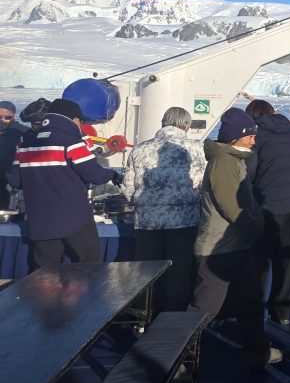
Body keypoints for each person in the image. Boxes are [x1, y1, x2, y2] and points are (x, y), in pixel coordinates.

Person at [190, 107, 282, 370]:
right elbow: (230, 205)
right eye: (250, 135)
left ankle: (259, 350)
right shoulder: (224, 163)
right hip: (219, 249)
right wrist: (254, 229)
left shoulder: (233, 160)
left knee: (251, 300)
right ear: (236, 137)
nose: (254, 140)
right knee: (204, 308)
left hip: (236, 246)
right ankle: (175, 357)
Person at [6, 98, 120, 270]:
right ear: (73, 119)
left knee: (45, 271)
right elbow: (94, 174)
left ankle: (44, 289)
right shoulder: (72, 142)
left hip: (40, 218)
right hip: (74, 216)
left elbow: (15, 180)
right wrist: (113, 174)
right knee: (89, 265)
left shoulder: (25, 143)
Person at [122, 106, 205, 313]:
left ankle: (144, 315)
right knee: (179, 272)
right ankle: (172, 317)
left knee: (146, 272)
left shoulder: (140, 149)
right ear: (186, 126)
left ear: (163, 123)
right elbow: (204, 184)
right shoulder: (196, 149)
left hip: (147, 222)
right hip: (184, 221)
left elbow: (128, 187)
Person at [245, 99, 290, 325]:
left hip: (269, 204)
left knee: (260, 260)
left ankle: (255, 313)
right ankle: (284, 313)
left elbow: (250, 171)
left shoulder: (257, 135)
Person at [0, 100, 28, 209]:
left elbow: (35, 137)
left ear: (14, 117)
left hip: (11, 179)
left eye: (7, 117)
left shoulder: (20, 131)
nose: (2, 120)